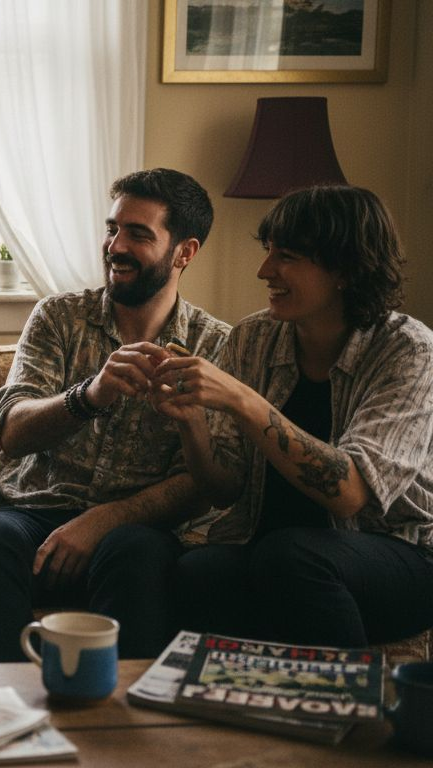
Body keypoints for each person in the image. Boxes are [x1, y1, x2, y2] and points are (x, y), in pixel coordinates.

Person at [0, 168, 231, 661]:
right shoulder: (58, 318)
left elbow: (204, 480)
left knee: (136, 555)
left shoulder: (216, 347)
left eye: (138, 235)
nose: (115, 246)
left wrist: (107, 518)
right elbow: (12, 431)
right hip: (32, 513)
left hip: (139, 527)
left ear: (184, 252)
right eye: (112, 229)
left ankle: (121, 727)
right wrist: (91, 394)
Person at [153, 185, 433, 647]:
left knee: (293, 556)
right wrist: (191, 421)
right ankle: (217, 710)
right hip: (273, 548)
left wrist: (242, 400)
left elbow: (348, 494)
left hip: (401, 554)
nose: (265, 270)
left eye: (287, 256)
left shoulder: (406, 350)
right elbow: (226, 488)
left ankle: (344, 711)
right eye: (269, 252)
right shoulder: (253, 338)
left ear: (345, 267)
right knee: (199, 570)